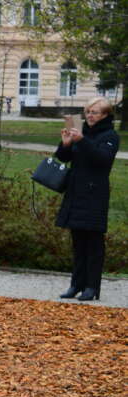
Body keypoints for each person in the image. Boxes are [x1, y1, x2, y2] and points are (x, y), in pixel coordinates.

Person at [55, 97, 120, 301]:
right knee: (78, 242)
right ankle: (76, 284)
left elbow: (102, 159)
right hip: (76, 191)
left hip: (94, 194)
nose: (90, 116)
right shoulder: (80, 133)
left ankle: (92, 287)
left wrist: (81, 140)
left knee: (93, 243)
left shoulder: (110, 136)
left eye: (95, 112)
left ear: (106, 115)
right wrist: (65, 145)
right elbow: (64, 158)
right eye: (88, 112)